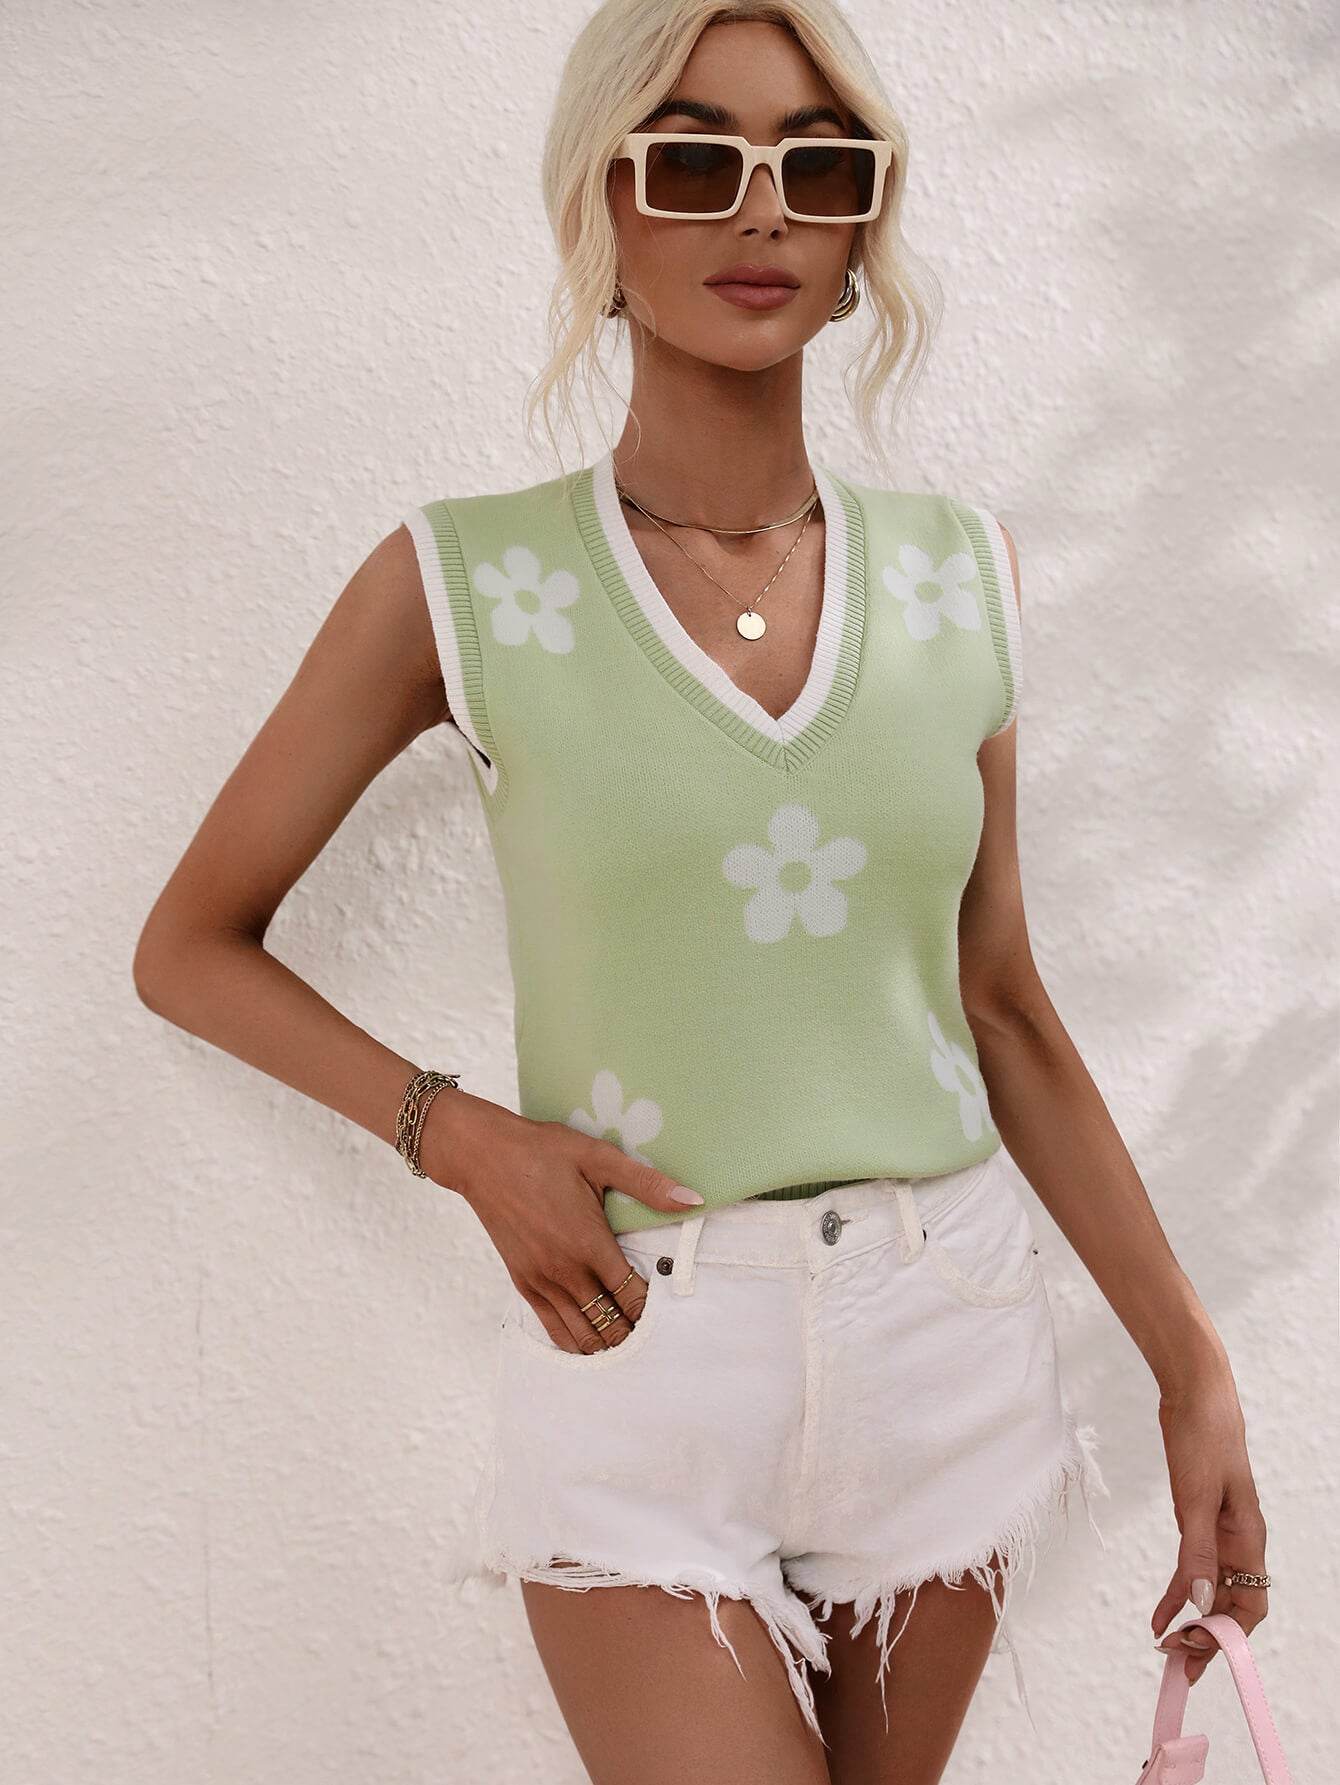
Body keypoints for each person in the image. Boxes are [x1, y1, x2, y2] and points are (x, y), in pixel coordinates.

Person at [133, 4, 1272, 1781]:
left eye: (818, 163)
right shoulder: (463, 581)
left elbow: (1000, 1004)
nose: (760, 208)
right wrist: (462, 1138)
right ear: (604, 203)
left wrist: (1191, 1367)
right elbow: (189, 945)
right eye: (692, 159)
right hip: (640, 1352)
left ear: (862, 225)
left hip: (943, 1327)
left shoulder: (961, 576)